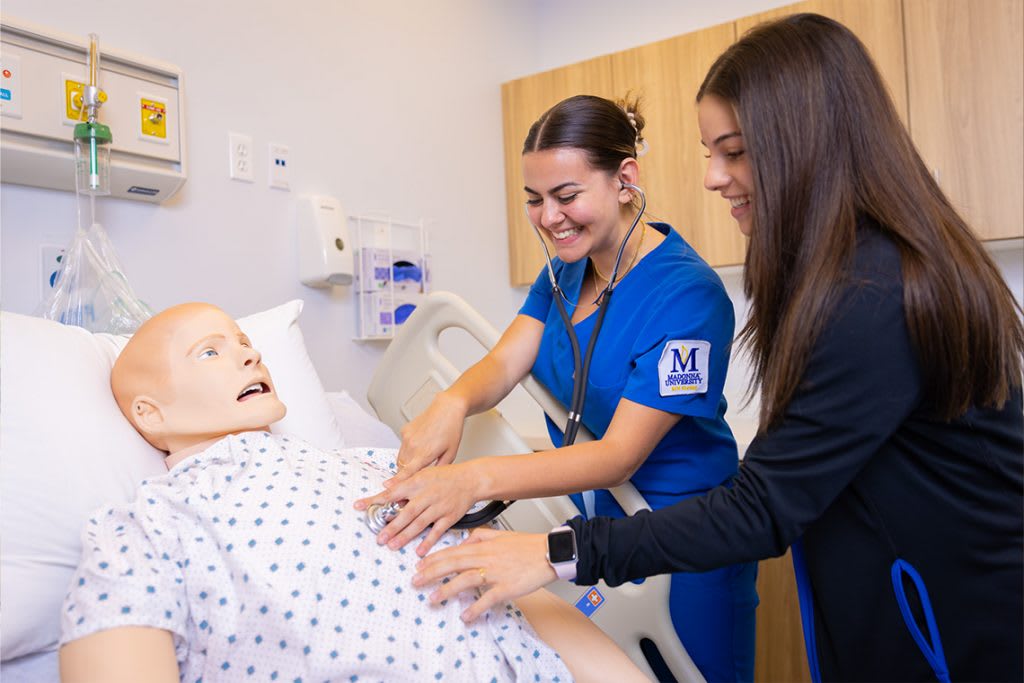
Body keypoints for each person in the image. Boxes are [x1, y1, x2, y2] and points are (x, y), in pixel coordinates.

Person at [411, 13, 1024, 683]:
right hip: (878, 582)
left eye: (733, 151)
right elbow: (506, 361)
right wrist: (453, 400)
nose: (711, 176)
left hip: (950, 612)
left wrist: (550, 542)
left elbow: (754, 503)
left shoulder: (867, 293)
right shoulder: (834, 275)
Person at [356, 94, 758, 680]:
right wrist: (453, 401)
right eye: (535, 200)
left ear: (625, 180)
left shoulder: (686, 295)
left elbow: (620, 455)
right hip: (596, 528)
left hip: (683, 542)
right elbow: (504, 362)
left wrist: (469, 479)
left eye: (567, 196)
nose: (549, 217)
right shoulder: (562, 273)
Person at [57, 302, 649, 683]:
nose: (247, 352)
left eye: (244, 341)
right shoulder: (147, 526)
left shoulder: (378, 466)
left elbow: (515, 586)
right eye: (211, 351)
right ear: (148, 414)